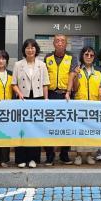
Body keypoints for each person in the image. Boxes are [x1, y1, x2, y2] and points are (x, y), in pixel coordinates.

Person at [12, 39, 50, 168]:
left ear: (36, 50)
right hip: (23, 99)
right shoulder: (18, 64)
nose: (30, 50)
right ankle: (21, 159)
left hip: (38, 99)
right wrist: (19, 93)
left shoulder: (42, 65)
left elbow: (45, 84)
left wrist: (46, 99)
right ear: (24, 50)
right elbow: (14, 84)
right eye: (27, 48)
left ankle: (34, 159)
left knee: (35, 129)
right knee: (22, 128)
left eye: (32, 47)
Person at [44, 34, 79, 165]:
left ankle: (64, 154)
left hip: (66, 95)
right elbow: (45, 77)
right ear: (53, 43)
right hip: (51, 94)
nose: (60, 43)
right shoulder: (48, 57)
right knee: (49, 124)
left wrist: (68, 92)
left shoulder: (72, 57)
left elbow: (72, 74)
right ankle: (49, 155)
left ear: (66, 44)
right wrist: (45, 96)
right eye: (57, 41)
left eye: (62, 41)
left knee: (67, 124)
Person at [72, 46, 101, 165]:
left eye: (91, 55)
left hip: (94, 106)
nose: (89, 57)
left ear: (94, 57)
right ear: (82, 56)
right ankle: (78, 155)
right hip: (80, 104)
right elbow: (75, 88)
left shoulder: (99, 71)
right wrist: (76, 76)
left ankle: (90, 155)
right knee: (79, 131)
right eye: (86, 54)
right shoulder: (77, 69)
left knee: (92, 131)